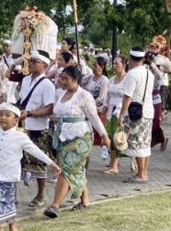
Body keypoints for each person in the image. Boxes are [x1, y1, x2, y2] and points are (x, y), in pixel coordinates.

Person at [0, 103, 61, 231]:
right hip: (0, 174)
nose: (3, 118)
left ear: (16, 120)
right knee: (7, 203)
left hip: (9, 177)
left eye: (7, 115)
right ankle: (13, 229)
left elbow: (35, 151)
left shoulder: (19, 136)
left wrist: (52, 164)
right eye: (1, 115)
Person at [43, 66, 111, 218]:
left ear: (75, 79)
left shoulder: (84, 96)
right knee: (76, 168)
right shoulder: (60, 94)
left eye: (66, 79)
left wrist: (104, 135)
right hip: (62, 136)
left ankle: (55, 205)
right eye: (62, 78)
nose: (63, 81)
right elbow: (56, 114)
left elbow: (94, 117)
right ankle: (85, 200)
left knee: (67, 168)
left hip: (80, 137)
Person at [18, 50, 55, 208]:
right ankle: (11, 193)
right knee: (17, 161)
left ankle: (40, 195)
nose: (31, 64)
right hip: (22, 127)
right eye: (30, 61)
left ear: (44, 65)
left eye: (35, 62)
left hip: (38, 128)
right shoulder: (25, 80)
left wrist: (31, 113)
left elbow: (49, 108)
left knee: (38, 162)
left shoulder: (47, 84)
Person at [117, 47, 154, 183]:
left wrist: (121, 115)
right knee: (145, 143)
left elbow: (128, 96)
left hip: (136, 111)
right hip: (148, 110)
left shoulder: (132, 74)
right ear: (143, 59)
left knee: (137, 144)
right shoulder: (149, 73)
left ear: (130, 58)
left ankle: (141, 174)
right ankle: (143, 172)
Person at [103, 55, 128, 175]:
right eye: (113, 63)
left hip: (121, 110)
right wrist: (104, 109)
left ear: (124, 65)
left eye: (117, 63)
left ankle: (130, 163)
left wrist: (123, 113)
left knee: (119, 138)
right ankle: (113, 163)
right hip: (111, 110)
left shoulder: (128, 79)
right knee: (111, 137)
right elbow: (107, 97)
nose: (114, 66)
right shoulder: (112, 79)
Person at [81, 56, 109, 146]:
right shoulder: (89, 77)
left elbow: (101, 98)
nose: (93, 67)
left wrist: (89, 103)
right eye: (92, 65)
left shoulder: (104, 80)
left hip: (96, 109)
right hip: (85, 107)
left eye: (95, 65)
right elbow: (78, 81)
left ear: (102, 67)